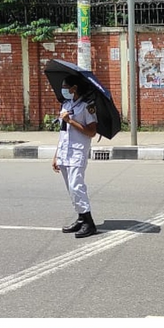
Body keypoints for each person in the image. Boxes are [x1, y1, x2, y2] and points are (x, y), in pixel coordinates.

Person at [52, 74, 99, 238]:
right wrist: (56, 155)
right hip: (64, 152)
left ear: (74, 89)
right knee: (70, 188)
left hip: (78, 152)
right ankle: (80, 218)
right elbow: (63, 132)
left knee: (76, 186)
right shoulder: (66, 104)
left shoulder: (87, 107)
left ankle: (89, 222)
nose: (63, 90)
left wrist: (71, 120)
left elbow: (92, 132)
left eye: (66, 87)